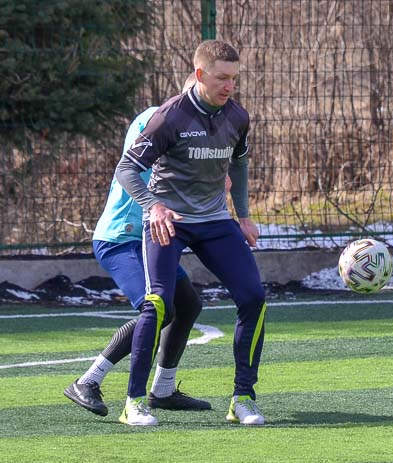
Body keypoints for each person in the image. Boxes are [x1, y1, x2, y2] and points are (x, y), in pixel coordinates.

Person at [117, 40, 267, 426]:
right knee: (158, 304)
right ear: (200, 75)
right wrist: (153, 206)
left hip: (215, 223)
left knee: (254, 297)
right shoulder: (171, 117)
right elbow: (127, 169)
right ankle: (134, 402)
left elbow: (239, 164)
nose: (229, 85)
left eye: (234, 78)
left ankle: (243, 399)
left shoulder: (237, 117)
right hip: (170, 222)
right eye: (221, 77)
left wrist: (244, 216)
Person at [63, 74, 212, 417]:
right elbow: (136, 167)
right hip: (121, 239)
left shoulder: (199, 132)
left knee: (187, 304)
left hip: (154, 239)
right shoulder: (153, 119)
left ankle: (162, 389)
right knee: (158, 307)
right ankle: (88, 380)